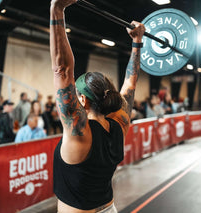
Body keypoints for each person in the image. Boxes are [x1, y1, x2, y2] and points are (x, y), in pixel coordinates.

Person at [50, 0, 145, 212]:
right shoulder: (119, 124)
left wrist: (57, 9)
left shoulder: (80, 133)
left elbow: (62, 70)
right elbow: (130, 82)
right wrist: (137, 42)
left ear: (82, 100)